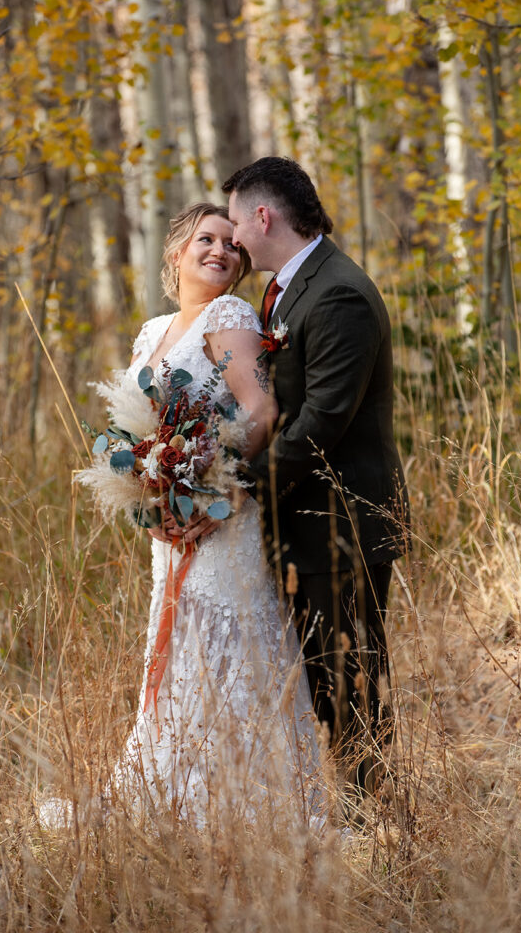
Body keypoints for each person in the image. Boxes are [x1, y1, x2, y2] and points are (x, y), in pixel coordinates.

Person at [39, 202, 325, 829]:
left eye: (231, 243)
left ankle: (249, 804)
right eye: (206, 239)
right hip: (171, 523)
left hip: (221, 518)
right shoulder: (153, 330)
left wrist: (211, 484)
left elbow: (260, 410)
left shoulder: (231, 316)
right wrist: (152, 484)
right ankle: (172, 791)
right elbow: (137, 425)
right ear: (177, 252)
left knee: (224, 647)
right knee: (175, 648)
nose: (221, 250)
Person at [221, 158, 410, 795]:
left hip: (342, 523)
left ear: (264, 217)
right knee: (319, 675)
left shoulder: (339, 293)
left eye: (237, 224)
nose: (235, 239)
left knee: (349, 676)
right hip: (306, 518)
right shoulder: (290, 288)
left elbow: (322, 422)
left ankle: (375, 821)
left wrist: (238, 491)